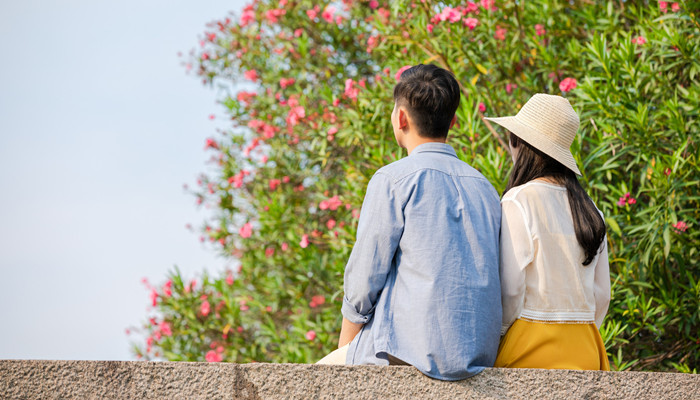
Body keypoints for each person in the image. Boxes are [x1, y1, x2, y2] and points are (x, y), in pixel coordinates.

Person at [317, 64, 502, 381]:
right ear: (453, 121)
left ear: (400, 118)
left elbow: (364, 280)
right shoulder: (486, 188)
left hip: (406, 352)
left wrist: (345, 348)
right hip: (478, 354)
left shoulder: (393, 180)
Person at [484, 93, 611, 370]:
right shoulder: (590, 210)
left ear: (519, 143)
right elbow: (602, 295)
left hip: (530, 345)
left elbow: (512, 289)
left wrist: (502, 335)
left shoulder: (518, 200)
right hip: (586, 346)